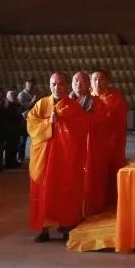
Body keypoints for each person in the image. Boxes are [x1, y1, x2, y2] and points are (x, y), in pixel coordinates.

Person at [26, 72, 90, 242]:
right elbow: (31, 124)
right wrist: (49, 123)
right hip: (44, 159)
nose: (56, 87)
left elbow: (80, 131)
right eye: (53, 84)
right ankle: (44, 229)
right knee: (43, 192)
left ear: (66, 86)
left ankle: (66, 225)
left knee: (64, 191)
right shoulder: (41, 104)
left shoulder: (73, 107)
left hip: (63, 159)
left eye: (60, 84)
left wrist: (62, 121)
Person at [71, 71, 112, 216]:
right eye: (75, 81)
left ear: (88, 85)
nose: (78, 84)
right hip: (69, 149)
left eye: (82, 81)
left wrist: (78, 118)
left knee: (90, 180)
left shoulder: (98, 103)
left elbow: (100, 123)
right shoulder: (65, 102)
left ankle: (88, 210)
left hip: (90, 148)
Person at [91, 68, 128, 205]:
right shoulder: (86, 97)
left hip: (111, 142)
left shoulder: (115, 97)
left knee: (111, 170)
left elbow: (109, 118)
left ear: (108, 81)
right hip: (92, 142)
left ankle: (112, 200)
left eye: (101, 79)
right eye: (94, 79)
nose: (98, 82)